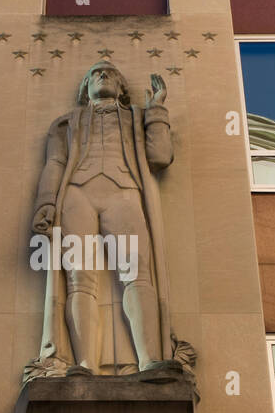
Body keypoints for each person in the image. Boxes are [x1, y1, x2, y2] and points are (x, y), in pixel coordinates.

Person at [28, 61, 184, 378]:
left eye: (110, 73)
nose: (103, 75)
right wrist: (45, 202)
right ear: (85, 87)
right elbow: (55, 163)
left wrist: (156, 110)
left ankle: (150, 360)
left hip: (124, 193)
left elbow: (160, 157)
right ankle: (84, 364)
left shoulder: (138, 118)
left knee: (137, 274)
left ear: (122, 88)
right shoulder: (65, 124)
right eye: (96, 73)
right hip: (76, 194)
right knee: (79, 279)